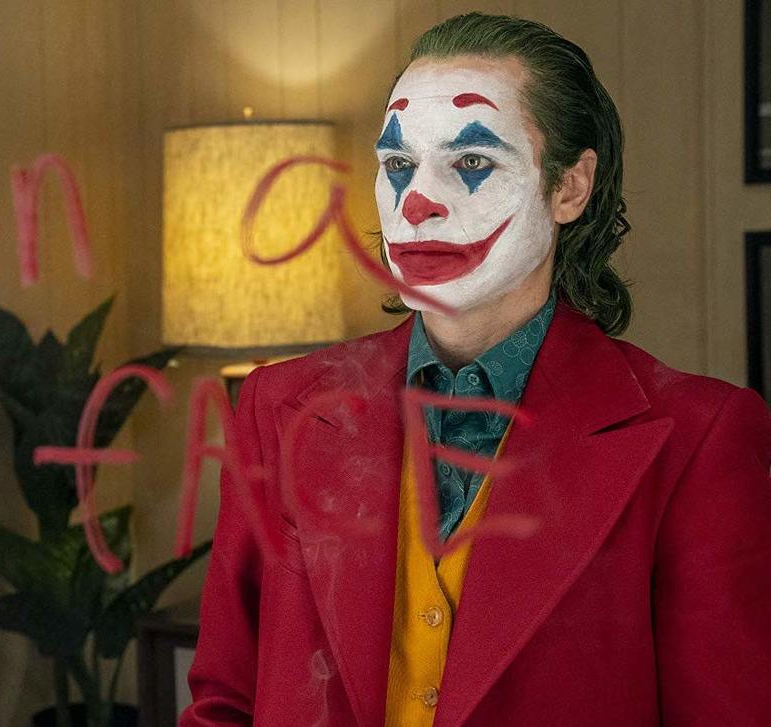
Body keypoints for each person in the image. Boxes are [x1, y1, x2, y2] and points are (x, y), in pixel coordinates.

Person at [181, 13, 771, 727]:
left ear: (570, 188)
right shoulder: (279, 407)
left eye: (471, 163)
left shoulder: (699, 437)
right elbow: (224, 699)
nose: (418, 202)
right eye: (398, 166)